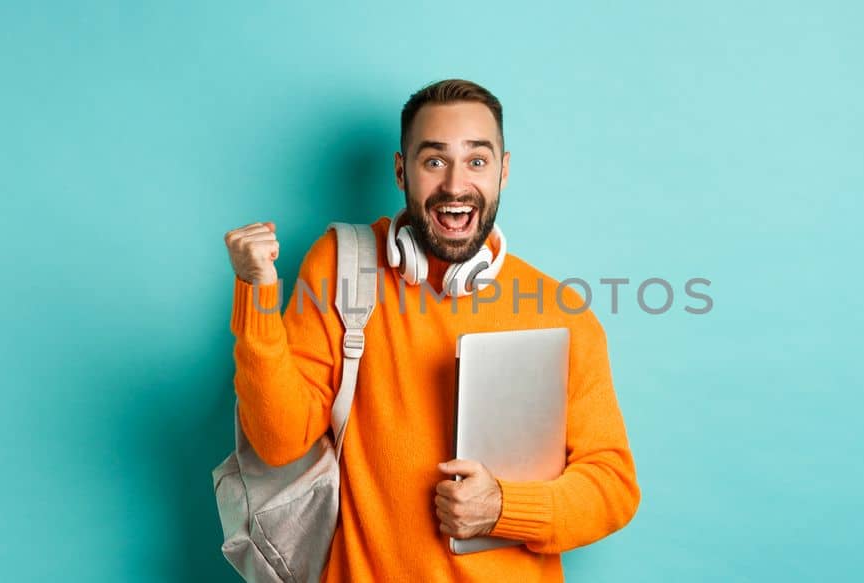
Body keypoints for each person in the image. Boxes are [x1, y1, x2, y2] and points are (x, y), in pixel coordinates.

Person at [222, 79, 639, 582]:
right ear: (402, 171)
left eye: (478, 161)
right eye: (434, 161)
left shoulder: (561, 313)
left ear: (504, 171)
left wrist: (505, 507)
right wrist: (257, 292)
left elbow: (612, 487)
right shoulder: (343, 268)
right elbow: (277, 441)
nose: (456, 185)